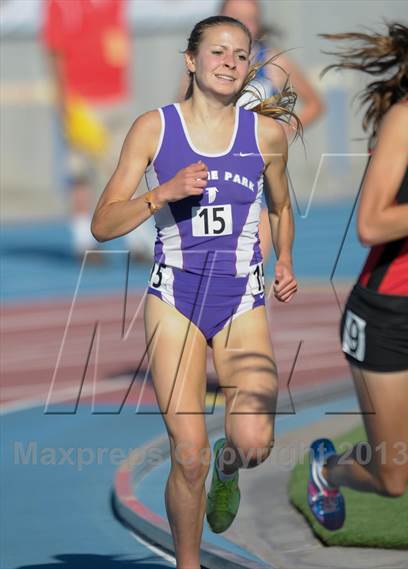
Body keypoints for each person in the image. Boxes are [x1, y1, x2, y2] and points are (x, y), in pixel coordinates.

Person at [92, 15, 298, 568]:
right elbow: (104, 223)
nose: (228, 61)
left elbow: (280, 207)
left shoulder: (265, 134)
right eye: (217, 52)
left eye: (239, 54)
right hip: (175, 301)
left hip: (241, 299)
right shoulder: (154, 128)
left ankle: (227, 473)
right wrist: (163, 191)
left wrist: (283, 258)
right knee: (188, 456)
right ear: (191, 61)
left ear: (249, 66)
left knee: (253, 442)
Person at [307, 23, 408, 531]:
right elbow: (372, 225)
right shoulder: (407, 119)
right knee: (393, 478)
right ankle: (327, 469)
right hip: (389, 316)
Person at [42, 0, 154, 261]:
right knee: (79, 171)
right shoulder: (60, 4)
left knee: (126, 166)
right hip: (81, 101)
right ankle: (83, 240)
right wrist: (64, 102)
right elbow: (55, 51)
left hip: (117, 97)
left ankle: (135, 237)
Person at [219, 0, 324, 260]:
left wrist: (281, 131)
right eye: (235, 16)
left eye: (250, 18)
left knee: (253, 262)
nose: (243, 24)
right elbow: (183, 108)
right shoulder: (205, 61)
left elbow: (315, 104)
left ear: (259, 24)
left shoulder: (274, 61)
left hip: (259, 168)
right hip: (216, 164)